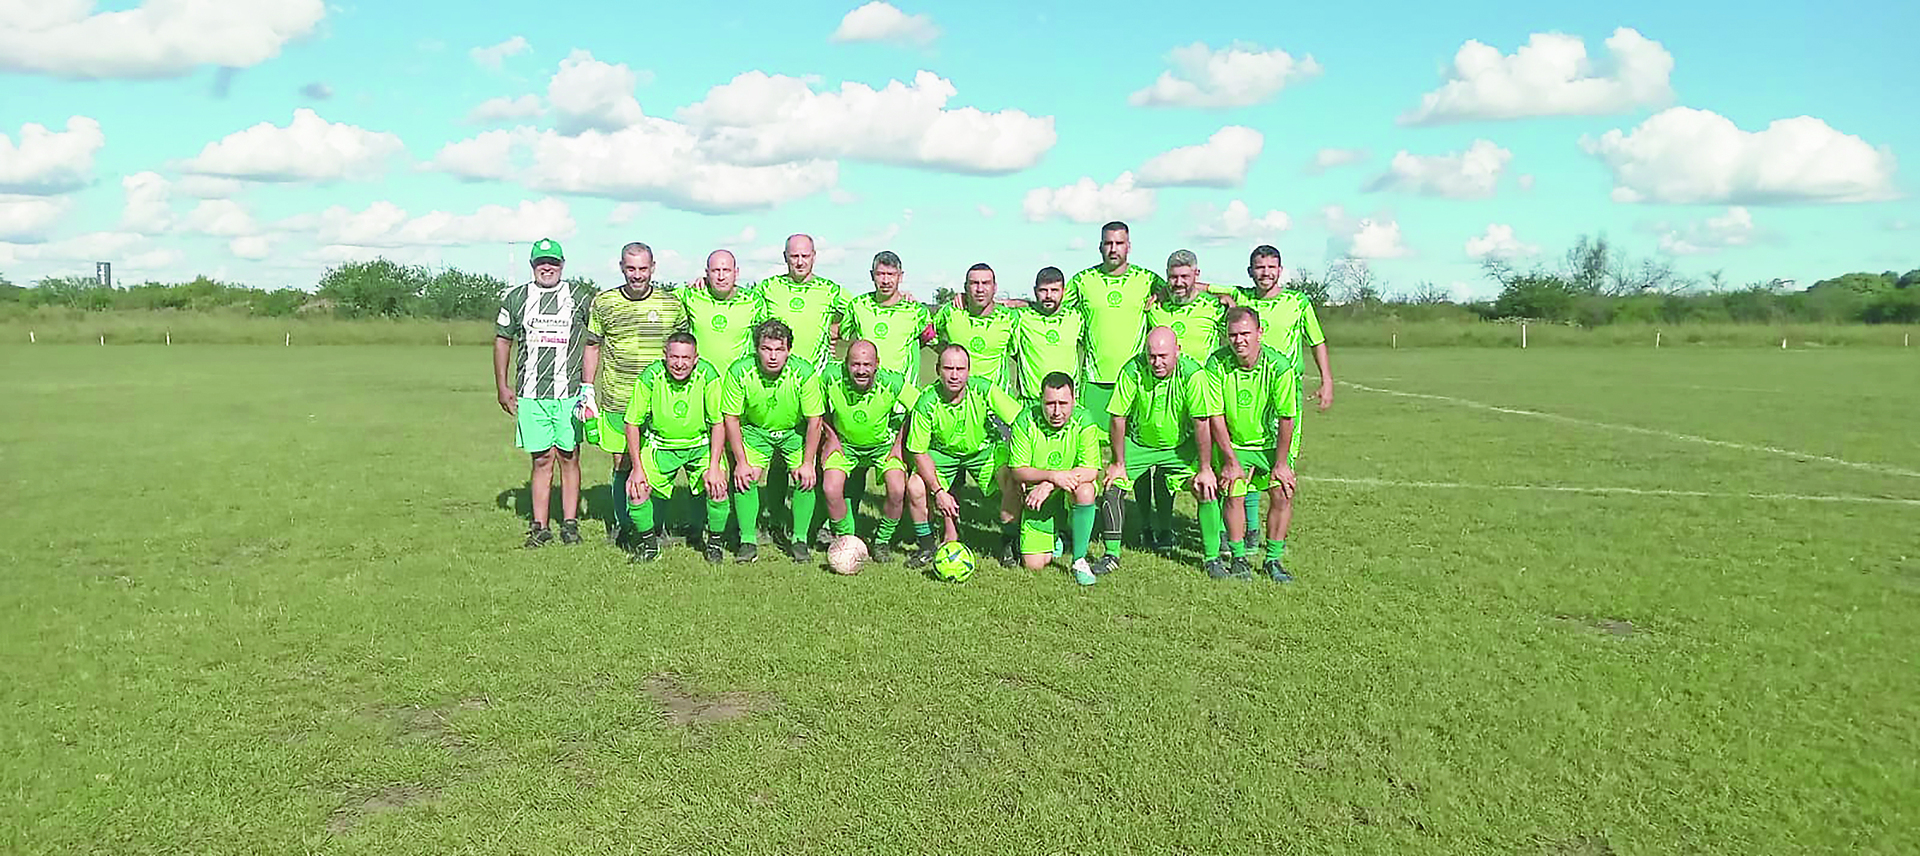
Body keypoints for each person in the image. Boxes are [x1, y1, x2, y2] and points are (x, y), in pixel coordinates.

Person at [1208, 246, 1332, 559]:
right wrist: (1159, 292)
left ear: (1280, 269)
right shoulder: (1242, 297)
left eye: (1271, 267)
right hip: (1241, 387)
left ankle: (1268, 544)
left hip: (1282, 393)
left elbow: (1316, 340)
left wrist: (1326, 379)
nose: (1265, 272)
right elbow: (1199, 284)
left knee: (1279, 471)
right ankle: (1248, 532)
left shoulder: (1297, 301)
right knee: (1240, 465)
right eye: (1259, 267)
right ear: (1250, 271)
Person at [494, 237, 597, 548]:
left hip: (569, 394)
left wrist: (588, 388)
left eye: (552, 262)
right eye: (541, 262)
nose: (547, 267)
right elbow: (503, 340)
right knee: (541, 459)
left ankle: (569, 523)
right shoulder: (516, 298)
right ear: (532, 266)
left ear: (562, 265)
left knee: (569, 456)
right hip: (531, 392)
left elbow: (593, 341)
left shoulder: (580, 297)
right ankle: (539, 526)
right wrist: (502, 385)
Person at [583, 241, 687, 548]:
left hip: (661, 399)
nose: (637, 275)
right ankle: (625, 524)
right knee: (623, 463)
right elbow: (592, 345)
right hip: (618, 397)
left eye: (643, 268)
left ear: (653, 268)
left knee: (660, 464)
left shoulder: (671, 304)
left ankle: (658, 526)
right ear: (621, 267)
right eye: (631, 268)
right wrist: (587, 388)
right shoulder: (604, 302)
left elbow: (683, 345)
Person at [1103, 327, 1227, 578]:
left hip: (1179, 446)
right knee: (1112, 485)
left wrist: (1204, 469)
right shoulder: (1132, 370)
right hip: (1140, 443)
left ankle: (1213, 559)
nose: (1157, 362)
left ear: (1177, 351)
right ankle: (1111, 555)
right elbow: (1118, 416)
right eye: (1152, 356)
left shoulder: (1193, 374)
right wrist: (1118, 462)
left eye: (1163, 356)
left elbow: (1201, 422)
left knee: (1205, 487)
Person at [1134, 248, 1222, 552]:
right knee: (1155, 463)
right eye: (1173, 277)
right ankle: (1158, 526)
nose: (1179, 282)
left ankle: (1222, 530)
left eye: (1186, 276)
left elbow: (1244, 314)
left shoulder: (1214, 307)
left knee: (1215, 463)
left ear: (1197, 275)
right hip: (1162, 396)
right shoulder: (1154, 308)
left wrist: (1221, 293)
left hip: (1205, 398)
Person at [905, 344, 1025, 568]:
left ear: (969, 371)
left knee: (1013, 476)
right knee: (915, 485)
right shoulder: (926, 402)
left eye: (960, 369)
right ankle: (927, 545)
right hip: (943, 454)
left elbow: (1019, 420)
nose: (954, 375)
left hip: (983, 450)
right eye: (948, 368)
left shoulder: (983, 389)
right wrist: (939, 491)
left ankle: (1009, 541)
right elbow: (918, 452)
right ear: (937, 369)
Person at [1206, 306, 1300, 582]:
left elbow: (1286, 417)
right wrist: (1230, 460)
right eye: (1233, 335)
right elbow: (1215, 414)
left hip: (1269, 445)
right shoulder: (1216, 363)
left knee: (1282, 491)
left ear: (1260, 333)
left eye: (1245, 333)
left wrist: (1281, 464)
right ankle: (1238, 557)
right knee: (1233, 491)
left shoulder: (1280, 366)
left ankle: (1273, 559)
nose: (1239, 341)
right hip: (1234, 444)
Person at [721, 319, 826, 563]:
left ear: (789, 350)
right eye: (766, 349)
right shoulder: (739, 371)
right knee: (745, 477)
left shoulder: (804, 372)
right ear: (756, 348)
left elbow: (815, 421)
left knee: (805, 477)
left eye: (779, 349)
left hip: (793, 432)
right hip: (756, 432)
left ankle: (799, 540)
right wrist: (741, 462)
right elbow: (731, 418)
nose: (772, 356)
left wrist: (809, 462)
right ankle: (748, 540)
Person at [621, 331, 730, 564]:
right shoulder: (650, 376)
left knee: (718, 485)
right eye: (674, 357)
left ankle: (714, 544)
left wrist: (714, 467)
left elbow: (718, 423)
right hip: (660, 446)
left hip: (700, 446)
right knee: (636, 488)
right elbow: (632, 423)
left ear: (696, 359)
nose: (679, 364)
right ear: (665, 356)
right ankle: (649, 546)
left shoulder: (708, 375)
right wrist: (637, 468)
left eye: (686, 358)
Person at [817, 340, 921, 563]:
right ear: (845, 364)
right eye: (855, 364)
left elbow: (920, 408)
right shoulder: (830, 377)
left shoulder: (892, 382)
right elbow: (815, 408)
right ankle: (846, 539)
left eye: (867, 364)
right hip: (845, 445)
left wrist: (899, 444)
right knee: (830, 487)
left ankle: (882, 541)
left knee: (896, 489)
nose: (861, 370)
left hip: (884, 446)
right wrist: (831, 436)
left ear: (877, 365)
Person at [1006, 372, 1103, 586]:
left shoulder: (1084, 420)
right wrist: (1052, 476)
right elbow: (1017, 470)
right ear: (1040, 400)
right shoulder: (1025, 419)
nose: (1057, 411)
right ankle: (1057, 535)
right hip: (1037, 497)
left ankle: (1078, 560)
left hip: (1064, 488)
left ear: (1074, 401)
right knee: (1033, 565)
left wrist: (1051, 482)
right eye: (1050, 403)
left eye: (1063, 403)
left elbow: (1091, 470)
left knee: (1086, 491)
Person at [1064, 221, 1164, 424]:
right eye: (1108, 243)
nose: (1113, 249)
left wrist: (1218, 292)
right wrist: (1016, 303)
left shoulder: (1147, 279)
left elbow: (1181, 289)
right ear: (1100, 247)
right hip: (1096, 379)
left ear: (1129, 246)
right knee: (1098, 442)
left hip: (1135, 377)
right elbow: (1049, 304)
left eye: (1119, 243)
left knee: (1131, 441)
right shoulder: (1083, 280)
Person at [840, 250, 934, 376]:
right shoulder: (857, 306)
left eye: (891, 274)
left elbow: (933, 340)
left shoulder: (917, 312)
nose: (885, 280)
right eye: (880, 274)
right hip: (867, 388)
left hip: (903, 391)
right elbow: (841, 333)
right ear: (872, 275)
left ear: (900, 276)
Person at [759, 234, 844, 366]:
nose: (800, 262)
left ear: (814, 256)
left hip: (817, 373)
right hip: (776, 373)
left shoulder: (830, 290)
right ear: (785, 257)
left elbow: (860, 314)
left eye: (805, 256)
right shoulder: (767, 287)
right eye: (794, 256)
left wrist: (837, 331)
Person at [934, 263, 1020, 394]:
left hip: (996, 404)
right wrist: (946, 351)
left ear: (995, 287)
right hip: (959, 402)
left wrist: (1023, 302)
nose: (980, 289)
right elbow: (928, 333)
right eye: (974, 283)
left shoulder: (1010, 318)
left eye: (985, 283)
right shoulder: (950, 312)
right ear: (965, 287)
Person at [1011, 266, 1085, 409]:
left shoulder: (1076, 317)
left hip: (1065, 402)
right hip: (1031, 402)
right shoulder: (1021, 318)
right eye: (1043, 290)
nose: (1048, 296)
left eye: (1054, 290)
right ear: (1035, 291)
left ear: (1063, 291)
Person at [679, 249, 767, 369]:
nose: (721, 277)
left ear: (736, 273)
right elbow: (661, 299)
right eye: (715, 271)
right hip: (700, 378)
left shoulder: (754, 301)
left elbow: (768, 340)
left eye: (726, 271)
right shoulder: (691, 295)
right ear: (707, 273)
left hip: (737, 379)